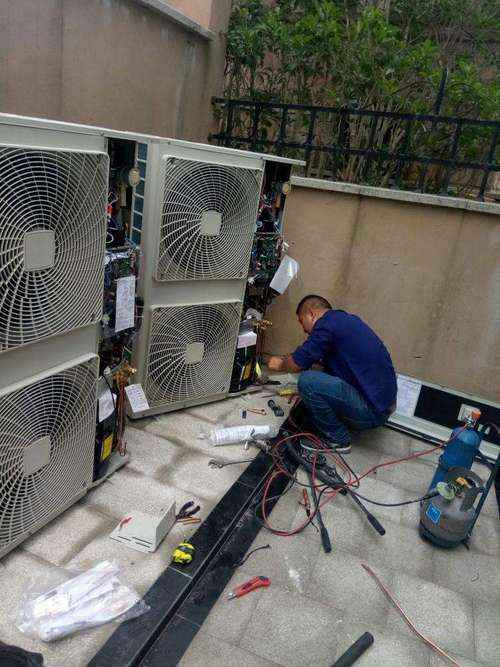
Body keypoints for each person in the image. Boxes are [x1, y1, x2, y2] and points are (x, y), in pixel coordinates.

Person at [267, 295, 397, 453]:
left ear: (312, 314)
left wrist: (280, 364)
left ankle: (338, 440)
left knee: (308, 381)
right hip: (384, 406)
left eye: (301, 321)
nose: (303, 329)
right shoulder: (343, 321)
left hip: (372, 412)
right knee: (315, 372)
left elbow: (297, 363)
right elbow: (314, 359)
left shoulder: (326, 325)